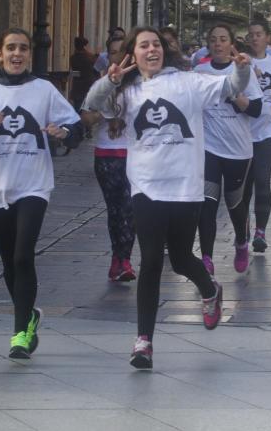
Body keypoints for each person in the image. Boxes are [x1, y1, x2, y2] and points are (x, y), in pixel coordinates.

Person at [84, 26, 251, 368]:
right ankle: (143, 340)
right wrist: (110, 81)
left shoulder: (189, 82)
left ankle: (209, 289)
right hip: (146, 185)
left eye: (156, 44)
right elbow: (94, 105)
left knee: (179, 259)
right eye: (144, 45)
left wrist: (242, 68)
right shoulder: (127, 91)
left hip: (186, 186)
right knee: (151, 260)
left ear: (165, 50)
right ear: (133, 53)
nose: (151, 50)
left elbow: (232, 87)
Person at [0, 28, 84, 359]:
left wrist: (62, 133)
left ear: (29, 55)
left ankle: (19, 333)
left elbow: (77, 128)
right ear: (0, 54)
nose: (17, 53)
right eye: (10, 48)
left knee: (24, 255)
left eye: (22, 48)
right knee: (9, 261)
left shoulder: (44, 90)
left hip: (34, 185)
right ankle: (30, 314)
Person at [193, 25, 264, 275]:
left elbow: (255, 109)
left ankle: (242, 242)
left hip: (237, 150)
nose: (218, 44)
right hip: (209, 148)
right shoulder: (199, 71)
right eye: (213, 40)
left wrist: (233, 93)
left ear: (232, 43)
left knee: (235, 204)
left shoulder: (243, 70)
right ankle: (207, 258)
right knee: (207, 203)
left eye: (223, 39)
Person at [80, 35, 137, 282]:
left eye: (122, 51)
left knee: (131, 208)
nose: (118, 56)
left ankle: (123, 258)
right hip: (108, 155)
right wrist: (102, 113)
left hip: (135, 156)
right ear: (108, 56)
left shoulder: (141, 85)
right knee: (117, 210)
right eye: (114, 52)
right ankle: (120, 259)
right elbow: (85, 117)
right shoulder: (102, 85)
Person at [242, 19, 271, 253]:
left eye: (259, 33)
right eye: (252, 34)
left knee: (262, 177)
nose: (255, 38)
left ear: (267, 37)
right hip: (244, 129)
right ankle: (244, 229)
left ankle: (261, 231)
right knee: (244, 185)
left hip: (269, 126)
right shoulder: (240, 62)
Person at [69, 36, 98, 111]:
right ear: (84, 47)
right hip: (88, 88)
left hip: (77, 89)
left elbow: (75, 73)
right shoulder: (90, 58)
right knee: (86, 111)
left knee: (78, 110)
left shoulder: (73, 58)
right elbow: (96, 72)